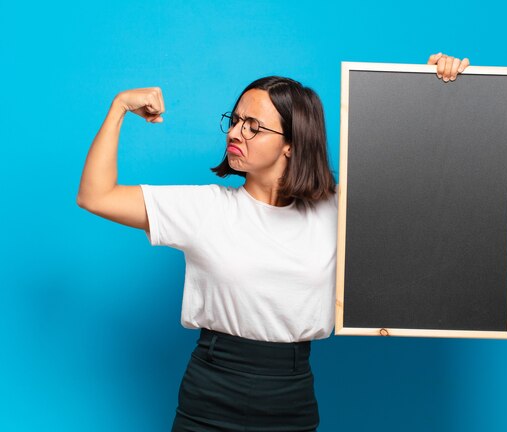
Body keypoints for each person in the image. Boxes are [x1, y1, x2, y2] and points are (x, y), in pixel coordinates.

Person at [77, 52, 470, 432]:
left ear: (292, 144)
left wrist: (436, 88)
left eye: (253, 126)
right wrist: (118, 108)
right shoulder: (204, 207)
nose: (234, 132)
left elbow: (431, 203)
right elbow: (97, 196)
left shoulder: (339, 209)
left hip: (291, 393)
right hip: (211, 388)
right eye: (234, 120)